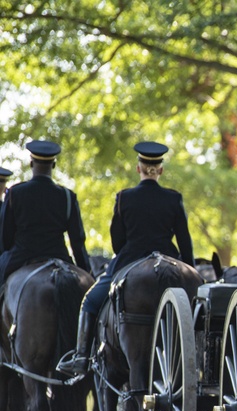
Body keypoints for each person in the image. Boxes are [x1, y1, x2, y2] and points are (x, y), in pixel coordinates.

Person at [56, 141, 193, 376]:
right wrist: (189, 268)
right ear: (160, 170)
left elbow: (117, 243)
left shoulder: (124, 198)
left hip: (129, 260)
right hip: (169, 261)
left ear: (138, 168)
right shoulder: (174, 199)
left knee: (90, 302)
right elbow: (185, 242)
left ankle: (81, 357)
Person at [0, 141, 90, 286]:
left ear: (31, 163)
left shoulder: (15, 193)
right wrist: (86, 271)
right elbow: (77, 241)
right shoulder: (67, 196)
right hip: (58, 255)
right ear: (53, 165)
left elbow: (5, 237)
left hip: (21, 256)